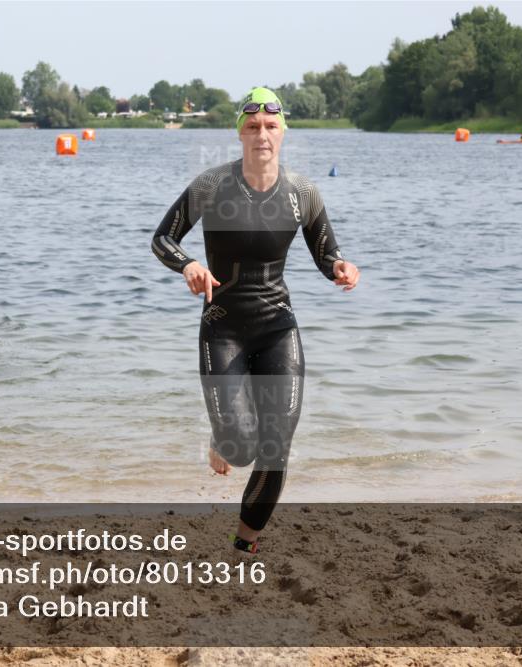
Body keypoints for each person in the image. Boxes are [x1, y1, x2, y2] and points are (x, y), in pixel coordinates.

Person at [151, 87, 360, 553]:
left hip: (277, 326)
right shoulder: (211, 186)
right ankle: (222, 439)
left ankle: (244, 544)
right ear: (240, 133)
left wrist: (341, 268)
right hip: (223, 326)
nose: (261, 134)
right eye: (252, 127)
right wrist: (187, 264)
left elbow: (327, 252)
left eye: (270, 126)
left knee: (276, 443)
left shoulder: (302, 193)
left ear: (282, 132)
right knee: (241, 446)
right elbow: (163, 238)